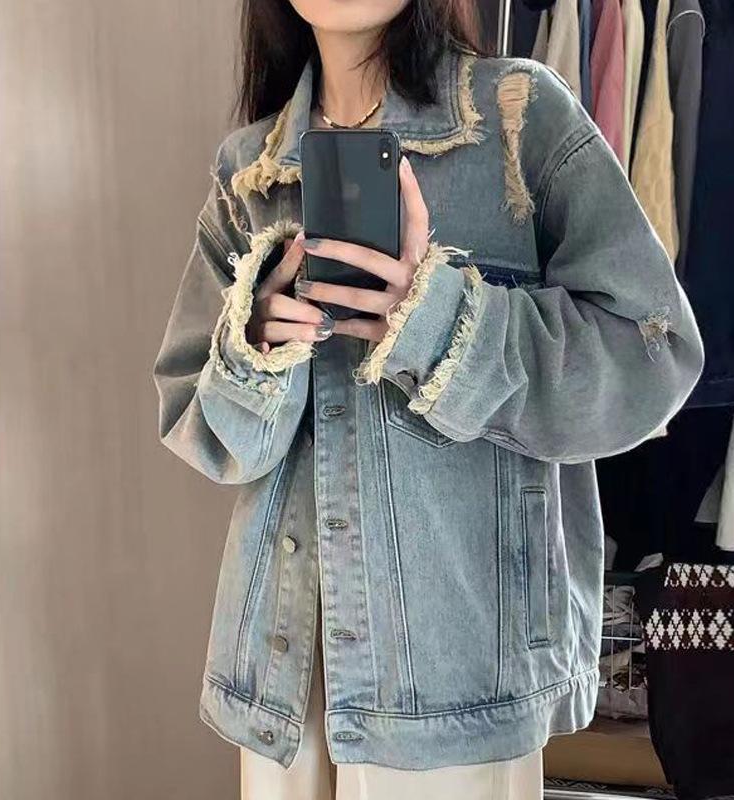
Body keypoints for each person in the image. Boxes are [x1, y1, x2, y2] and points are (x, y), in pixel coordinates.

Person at [152, 1, 705, 798]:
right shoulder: (251, 172)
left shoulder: (518, 119)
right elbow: (205, 432)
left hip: (461, 671)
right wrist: (258, 349)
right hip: (286, 679)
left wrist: (440, 321)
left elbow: (653, 357)